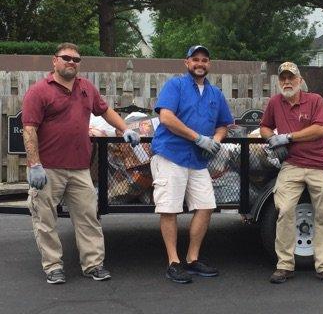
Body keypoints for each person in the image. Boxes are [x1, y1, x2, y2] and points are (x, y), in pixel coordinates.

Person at [22, 43, 140, 284]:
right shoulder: (39, 91)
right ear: (54, 61)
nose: (71, 63)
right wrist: (35, 164)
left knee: (88, 217)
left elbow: (105, 111)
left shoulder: (86, 88)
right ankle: (53, 266)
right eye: (66, 58)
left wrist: (125, 128)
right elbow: (29, 129)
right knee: (45, 219)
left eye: (76, 60)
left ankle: (93, 264)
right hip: (48, 168)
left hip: (79, 168)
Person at [150, 45, 233, 284]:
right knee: (170, 208)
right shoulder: (175, 86)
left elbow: (223, 124)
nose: (200, 63)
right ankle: (173, 262)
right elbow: (166, 117)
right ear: (186, 63)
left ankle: (193, 258)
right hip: (171, 154)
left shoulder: (215, 94)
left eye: (204, 60)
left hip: (198, 160)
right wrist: (197, 138)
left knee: (206, 205)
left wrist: (215, 140)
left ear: (209, 64)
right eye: (195, 59)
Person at [260, 62, 323, 285]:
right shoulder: (275, 102)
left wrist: (287, 137)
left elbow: (319, 129)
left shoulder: (314, 100)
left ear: (299, 80)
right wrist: (272, 139)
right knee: (284, 210)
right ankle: (284, 265)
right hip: (291, 165)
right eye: (283, 78)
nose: (287, 82)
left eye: (291, 78)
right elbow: (265, 126)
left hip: (318, 165)